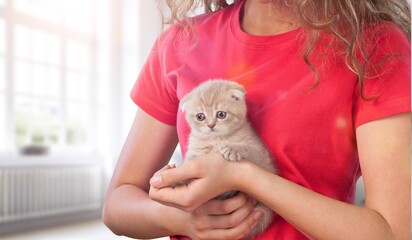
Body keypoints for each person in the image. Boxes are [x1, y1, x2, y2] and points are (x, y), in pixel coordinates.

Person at [102, 0, 411, 239]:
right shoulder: (179, 43)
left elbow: (393, 232)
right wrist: (180, 218)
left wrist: (244, 176)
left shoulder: (375, 46)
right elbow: (117, 204)